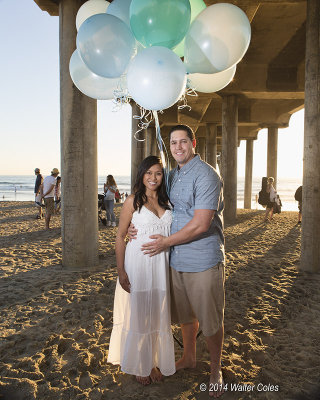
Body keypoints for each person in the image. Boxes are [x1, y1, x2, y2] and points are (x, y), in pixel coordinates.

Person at [129, 125, 225, 397]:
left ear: (193, 143)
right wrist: (132, 226)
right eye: (174, 143)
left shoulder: (207, 175)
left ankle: (215, 370)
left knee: (211, 320)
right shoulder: (172, 175)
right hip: (175, 260)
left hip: (203, 259)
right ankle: (189, 358)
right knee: (186, 316)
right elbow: (151, 198)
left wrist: (164, 242)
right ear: (169, 146)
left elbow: (201, 224)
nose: (178, 147)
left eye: (184, 141)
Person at [107, 156, 175, 385]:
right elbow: (120, 236)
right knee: (140, 313)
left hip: (161, 266)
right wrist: (121, 271)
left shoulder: (169, 202)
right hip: (139, 264)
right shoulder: (133, 201)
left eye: (158, 173)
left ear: (163, 176)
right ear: (141, 175)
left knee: (157, 311)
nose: (153, 178)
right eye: (148, 173)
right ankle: (139, 364)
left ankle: (152, 361)